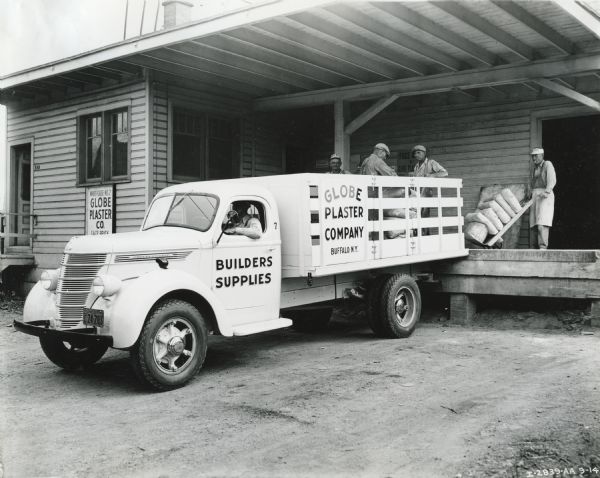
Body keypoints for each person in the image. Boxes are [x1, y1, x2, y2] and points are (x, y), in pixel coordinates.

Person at [528, 147, 556, 249]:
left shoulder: (547, 164)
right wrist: (529, 195)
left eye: (536, 156)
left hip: (545, 195)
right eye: (532, 156)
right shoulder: (533, 169)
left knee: (542, 222)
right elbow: (531, 184)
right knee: (533, 223)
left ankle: (542, 247)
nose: (534, 158)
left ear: (542, 156)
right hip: (535, 195)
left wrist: (547, 191)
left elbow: (552, 180)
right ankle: (533, 247)